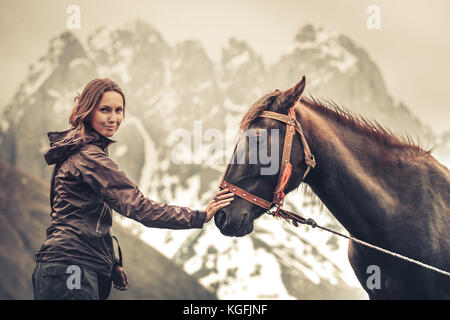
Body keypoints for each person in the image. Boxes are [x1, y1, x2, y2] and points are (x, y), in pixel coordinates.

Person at [32, 78, 234, 300]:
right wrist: (199, 216)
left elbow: (81, 216)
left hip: (68, 266)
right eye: (105, 110)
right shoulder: (89, 157)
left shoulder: (77, 151)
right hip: (72, 268)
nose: (114, 118)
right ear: (88, 111)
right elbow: (139, 207)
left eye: (119, 110)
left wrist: (110, 263)